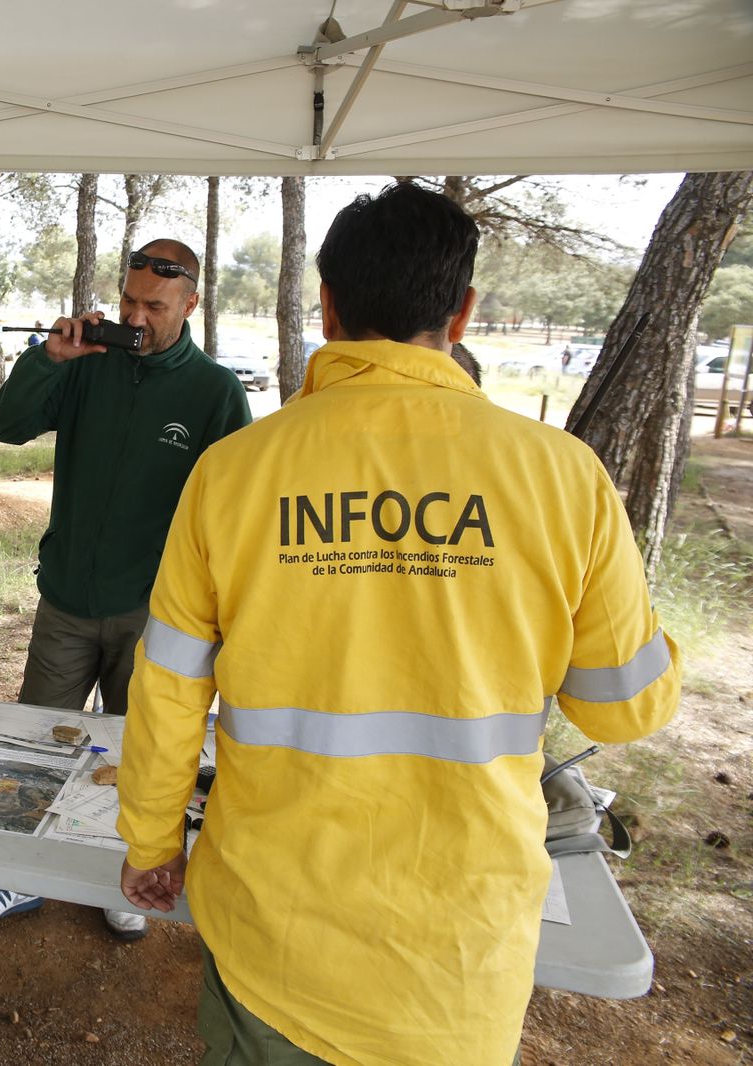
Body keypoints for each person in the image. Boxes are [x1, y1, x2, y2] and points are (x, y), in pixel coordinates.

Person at [118, 183, 680, 1065]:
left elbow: (169, 687)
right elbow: (626, 709)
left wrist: (152, 841)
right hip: (456, 957)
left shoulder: (235, 472)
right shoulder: (563, 476)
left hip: (272, 932)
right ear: (461, 311)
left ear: (329, 305)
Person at [0, 240, 252, 940]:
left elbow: (236, 514)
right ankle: (16, 878)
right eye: (128, 301)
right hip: (66, 597)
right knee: (36, 741)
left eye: (154, 305)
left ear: (190, 304)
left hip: (155, 614)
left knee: (138, 756)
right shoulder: (89, 365)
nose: (137, 317)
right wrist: (47, 360)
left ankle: (123, 874)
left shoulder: (214, 392)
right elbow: (8, 426)